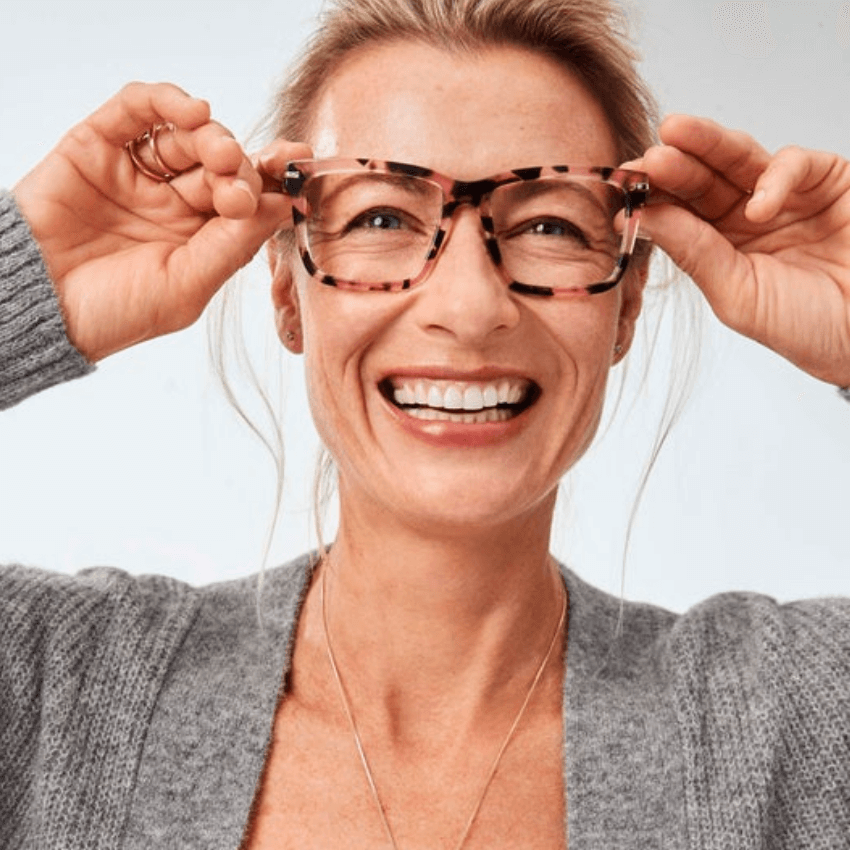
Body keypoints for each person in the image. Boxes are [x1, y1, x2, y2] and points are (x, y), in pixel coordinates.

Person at [1, 0, 849, 848]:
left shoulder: (799, 723)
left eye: (549, 224)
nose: (470, 307)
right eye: (381, 219)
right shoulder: (54, 691)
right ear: (284, 292)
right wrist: (20, 290)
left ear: (626, 302)